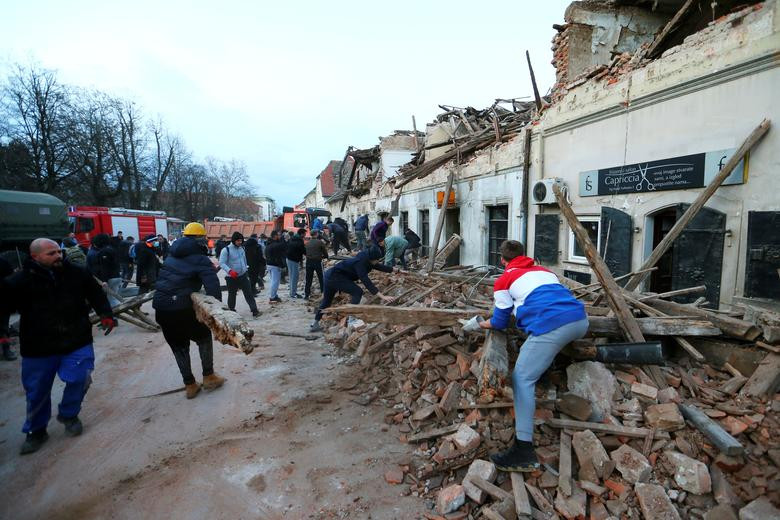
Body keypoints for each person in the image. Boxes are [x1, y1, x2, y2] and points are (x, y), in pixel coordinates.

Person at [478, 240, 589, 472]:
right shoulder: (545, 272)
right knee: (541, 343)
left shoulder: (504, 280)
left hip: (553, 325)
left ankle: (523, 450)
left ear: (502, 260)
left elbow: (499, 321)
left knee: (522, 378)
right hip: (580, 321)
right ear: (525, 256)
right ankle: (546, 375)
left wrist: (482, 324)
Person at [0, 238, 115, 454]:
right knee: (37, 391)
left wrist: (106, 314)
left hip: (76, 338)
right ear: (35, 257)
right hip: (38, 345)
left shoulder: (78, 273)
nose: (58, 257)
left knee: (81, 377)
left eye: (58, 252)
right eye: (51, 254)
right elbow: (3, 307)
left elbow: (96, 293)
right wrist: (2, 333)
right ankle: (36, 430)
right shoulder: (19, 281)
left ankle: (69, 414)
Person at [153, 222, 226, 399]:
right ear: (201, 239)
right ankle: (209, 376)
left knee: (179, 346)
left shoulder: (171, 255)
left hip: (162, 308)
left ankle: (190, 385)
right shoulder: (201, 259)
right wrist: (217, 310)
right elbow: (212, 286)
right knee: (203, 338)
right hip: (184, 308)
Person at [310, 245, 394, 332]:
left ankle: (315, 323)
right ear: (372, 258)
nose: (378, 261)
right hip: (336, 277)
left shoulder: (365, 257)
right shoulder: (360, 263)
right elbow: (366, 281)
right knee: (357, 292)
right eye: (377, 259)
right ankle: (351, 319)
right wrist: (382, 296)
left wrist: (395, 270)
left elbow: (379, 266)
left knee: (326, 301)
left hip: (329, 275)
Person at [218, 232, 260, 317]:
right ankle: (232, 310)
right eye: (238, 241)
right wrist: (229, 271)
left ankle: (254, 310)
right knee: (232, 294)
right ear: (234, 241)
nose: (240, 242)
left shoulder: (241, 248)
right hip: (231, 277)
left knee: (249, 293)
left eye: (241, 240)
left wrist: (245, 268)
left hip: (243, 275)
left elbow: (244, 260)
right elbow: (222, 263)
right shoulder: (226, 250)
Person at [86, 233, 122, 308]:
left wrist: (104, 280)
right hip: (117, 276)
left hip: (109, 278)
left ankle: (114, 316)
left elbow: (104, 267)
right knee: (113, 297)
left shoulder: (102, 252)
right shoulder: (112, 249)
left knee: (110, 299)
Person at [0, 256, 17, 361]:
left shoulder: (2, 261)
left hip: (1, 301)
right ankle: (6, 350)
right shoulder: (2, 261)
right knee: (2, 328)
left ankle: (6, 349)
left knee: (2, 328)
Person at [304, 229, 328, 299]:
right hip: (317, 261)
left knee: (308, 279)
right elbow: (325, 252)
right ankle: (323, 292)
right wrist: (325, 256)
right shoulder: (319, 242)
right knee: (321, 277)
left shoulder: (307, 243)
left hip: (308, 262)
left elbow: (306, 252)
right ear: (316, 234)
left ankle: (306, 294)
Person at [264, 230, 286, 304]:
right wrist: (283, 238)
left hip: (269, 264)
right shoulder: (275, 245)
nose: (279, 236)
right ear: (275, 236)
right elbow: (283, 247)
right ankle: (273, 297)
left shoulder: (268, 244)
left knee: (273, 281)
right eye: (278, 235)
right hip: (275, 265)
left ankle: (274, 295)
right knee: (275, 282)